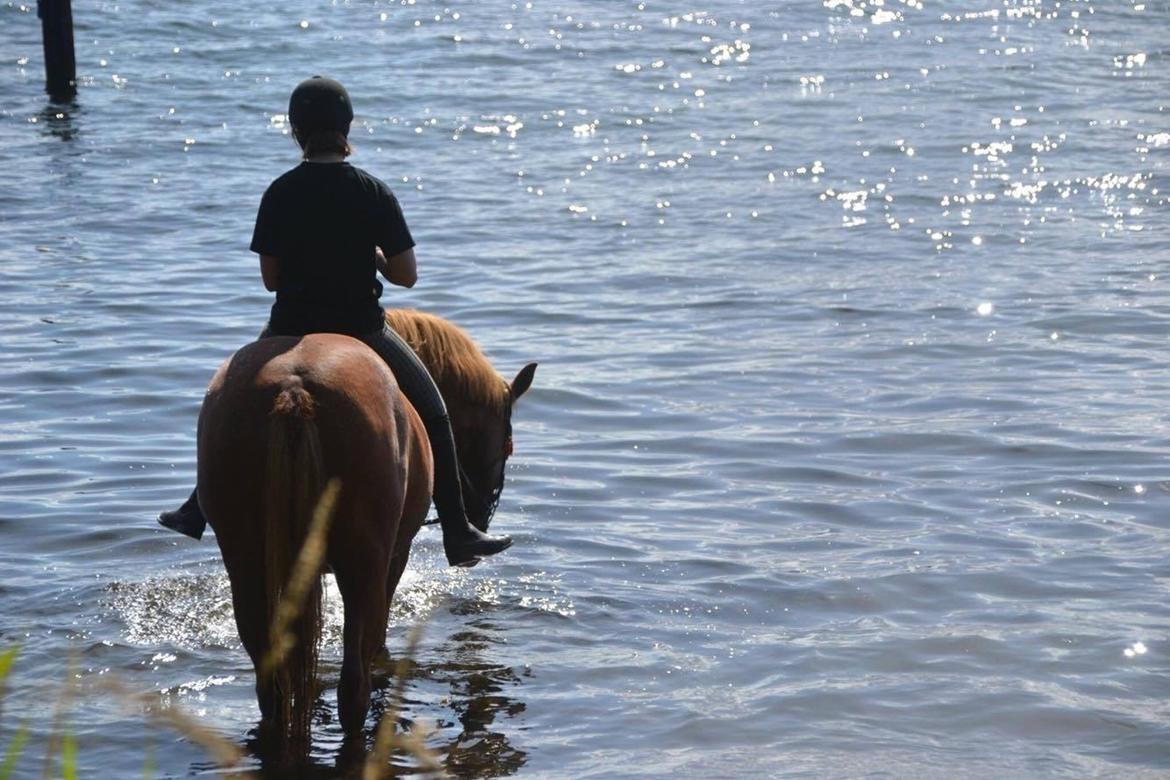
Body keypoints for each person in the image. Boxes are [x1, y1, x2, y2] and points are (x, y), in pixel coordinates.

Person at [158, 76, 512, 568]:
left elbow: (270, 279)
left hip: (287, 330)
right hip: (363, 329)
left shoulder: (279, 192)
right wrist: (374, 258)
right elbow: (407, 276)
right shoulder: (373, 191)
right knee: (434, 412)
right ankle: (458, 530)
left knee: (226, 400)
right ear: (347, 128)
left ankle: (197, 507)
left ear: (295, 131)